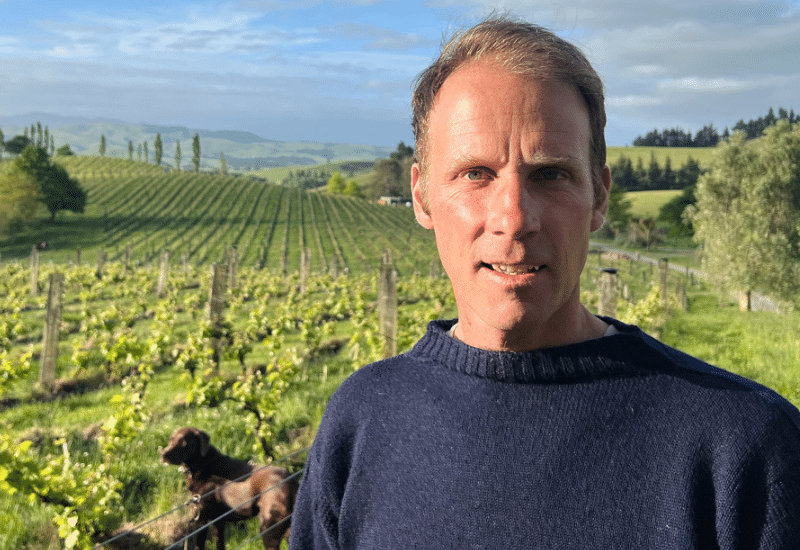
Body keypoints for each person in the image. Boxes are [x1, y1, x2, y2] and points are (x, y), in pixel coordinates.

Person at [289, 17, 800, 549]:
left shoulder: (747, 448)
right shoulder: (362, 421)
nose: (514, 219)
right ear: (421, 197)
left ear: (599, 196)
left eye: (550, 174)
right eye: (475, 174)